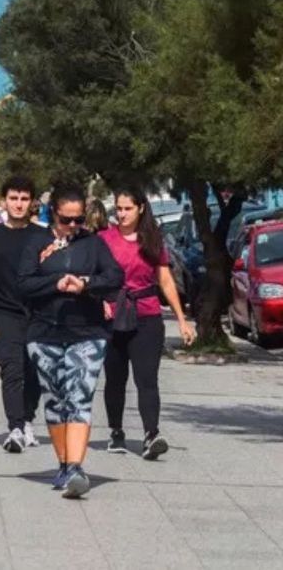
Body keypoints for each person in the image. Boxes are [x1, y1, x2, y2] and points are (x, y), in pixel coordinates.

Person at [17, 184, 123, 499]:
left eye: (79, 220)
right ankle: (63, 464)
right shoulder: (36, 242)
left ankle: (76, 467)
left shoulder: (94, 244)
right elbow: (23, 284)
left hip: (86, 332)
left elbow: (115, 278)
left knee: (79, 397)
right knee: (55, 400)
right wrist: (55, 283)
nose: (74, 226)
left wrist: (86, 284)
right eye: (67, 220)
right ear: (54, 215)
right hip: (44, 332)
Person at [100, 186, 195, 459]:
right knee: (115, 379)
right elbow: (93, 277)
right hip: (114, 316)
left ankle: (151, 434)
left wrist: (182, 319)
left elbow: (165, 280)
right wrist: (100, 303)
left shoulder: (152, 240)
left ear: (141, 208)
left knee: (147, 379)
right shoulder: (104, 239)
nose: (122, 214)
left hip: (147, 315)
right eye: (118, 209)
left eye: (127, 208)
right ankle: (116, 432)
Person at [0, 176, 44, 453]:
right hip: (2, 313)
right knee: (12, 369)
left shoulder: (43, 237)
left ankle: (28, 419)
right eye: (13, 198)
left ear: (31, 202)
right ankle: (15, 427)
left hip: (37, 313)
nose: (18, 204)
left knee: (33, 370)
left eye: (23, 199)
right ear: (3, 200)